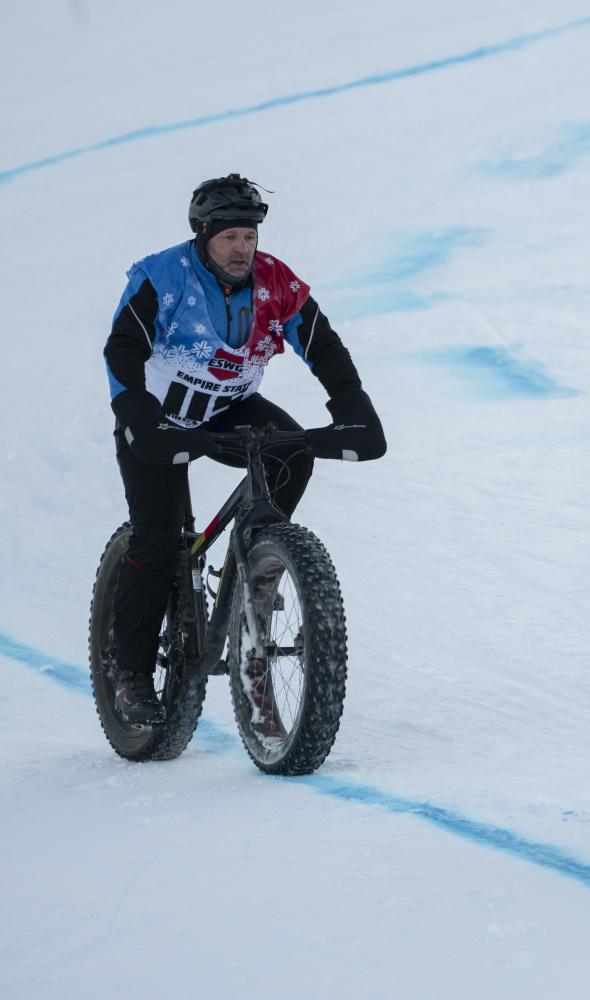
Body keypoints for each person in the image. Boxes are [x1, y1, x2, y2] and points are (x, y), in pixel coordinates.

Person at [103, 173, 386, 725]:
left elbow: (323, 347)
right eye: (231, 237)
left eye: (250, 237)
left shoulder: (274, 283)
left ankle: (255, 560)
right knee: (158, 538)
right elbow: (122, 351)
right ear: (203, 233)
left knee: (292, 451)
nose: (243, 248)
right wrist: (137, 419)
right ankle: (131, 677)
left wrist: (354, 408)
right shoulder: (163, 277)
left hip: (230, 409)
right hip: (159, 417)